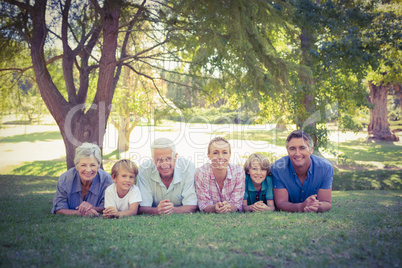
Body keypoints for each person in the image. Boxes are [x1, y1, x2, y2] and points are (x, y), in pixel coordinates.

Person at [271, 130, 333, 212]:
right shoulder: (278, 169)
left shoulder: (325, 168)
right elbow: (281, 203)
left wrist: (316, 207)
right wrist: (301, 207)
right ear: (288, 151)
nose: (297, 153)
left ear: (311, 150)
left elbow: (326, 202)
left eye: (302, 148)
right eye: (292, 149)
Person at [137, 138, 197, 215]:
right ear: (153, 159)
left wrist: (172, 210)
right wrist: (157, 211)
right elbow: (142, 207)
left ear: (176, 157)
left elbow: (192, 205)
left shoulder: (188, 168)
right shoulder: (144, 169)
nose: (164, 164)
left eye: (168, 159)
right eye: (159, 160)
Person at [51, 143, 113, 217]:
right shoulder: (65, 179)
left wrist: (93, 208)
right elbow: (59, 208)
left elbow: (108, 207)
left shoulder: (106, 180)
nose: (88, 170)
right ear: (77, 166)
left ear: (98, 166)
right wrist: (81, 213)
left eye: (92, 165)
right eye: (83, 165)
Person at [195, 137, 245, 213]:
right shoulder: (201, 173)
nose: (220, 157)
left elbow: (237, 204)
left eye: (224, 152)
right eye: (215, 153)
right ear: (208, 155)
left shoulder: (238, 172)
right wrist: (214, 208)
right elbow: (203, 204)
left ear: (230, 155)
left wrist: (228, 208)